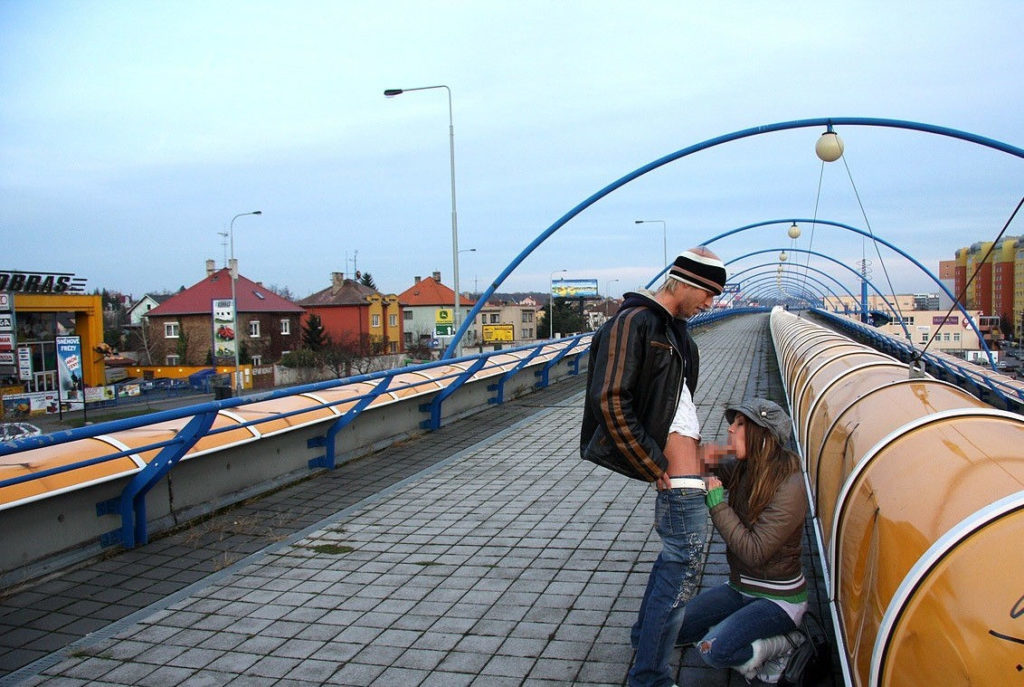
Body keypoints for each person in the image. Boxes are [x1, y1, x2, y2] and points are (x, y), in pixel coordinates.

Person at [580, 246, 728, 687]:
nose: (711, 304)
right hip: (674, 476)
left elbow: (676, 405)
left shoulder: (675, 331)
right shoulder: (632, 322)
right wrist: (650, 462)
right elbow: (609, 398)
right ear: (682, 281)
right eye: (707, 293)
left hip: (686, 473)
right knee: (681, 570)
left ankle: (643, 639)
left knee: (675, 564)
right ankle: (649, 677)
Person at [675, 398, 808, 683]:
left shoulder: (791, 485)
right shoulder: (744, 465)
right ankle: (734, 625)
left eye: (740, 425)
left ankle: (785, 643)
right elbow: (699, 460)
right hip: (741, 586)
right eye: (732, 423)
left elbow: (754, 552)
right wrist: (711, 449)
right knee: (671, 629)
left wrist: (717, 505)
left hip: (779, 599)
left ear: (763, 436)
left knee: (712, 650)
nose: (731, 429)